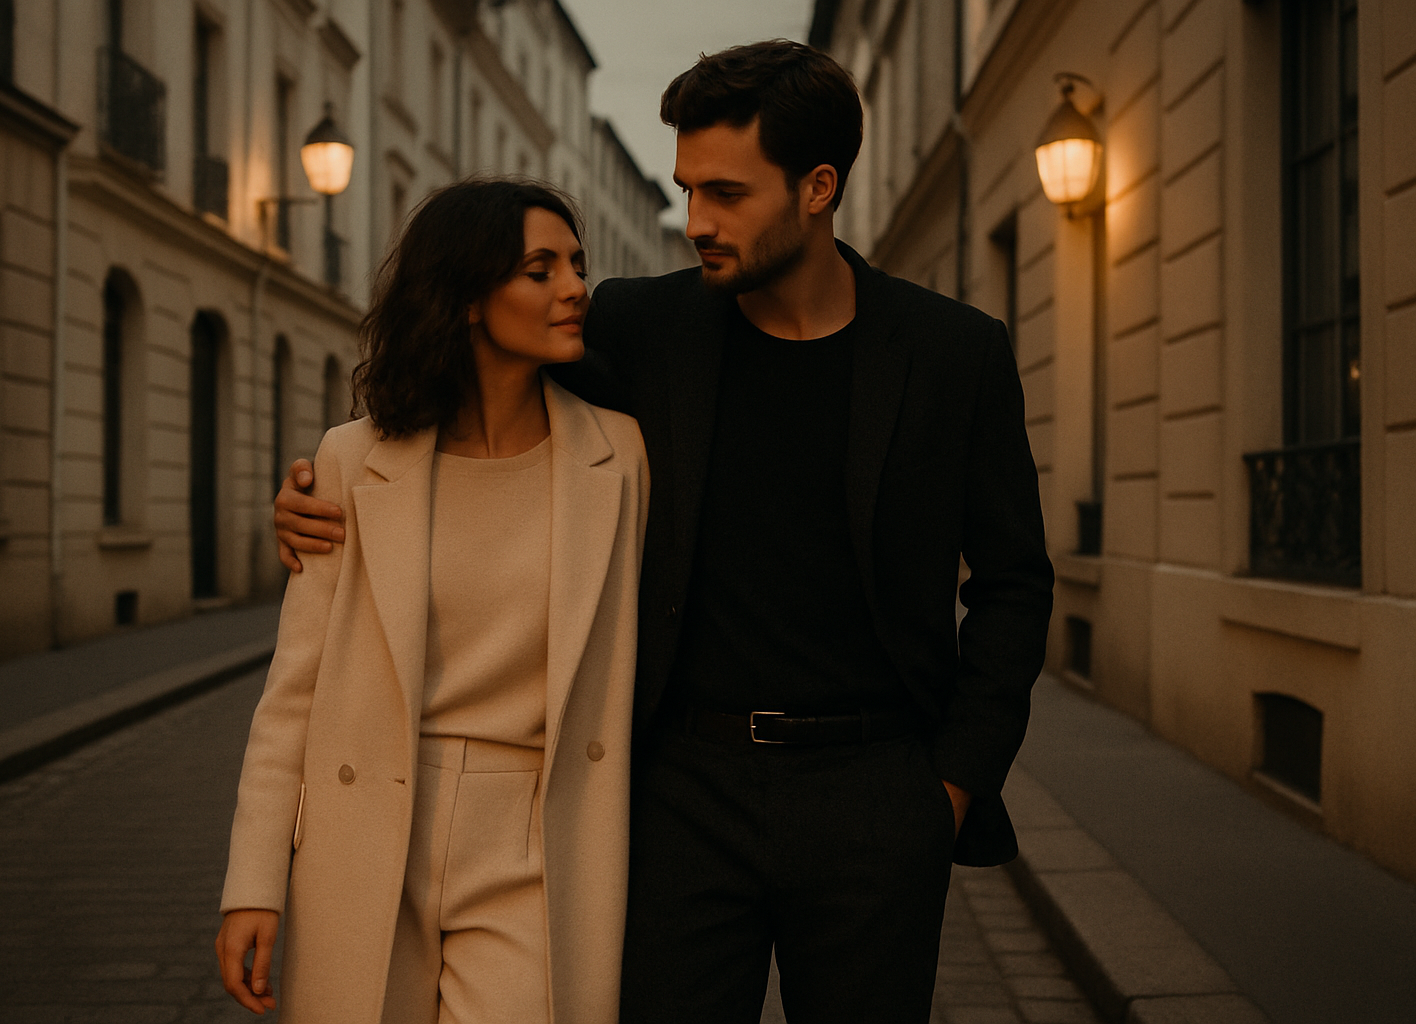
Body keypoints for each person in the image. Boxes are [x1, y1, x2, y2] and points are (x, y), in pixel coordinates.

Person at [274, 41, 1053, 1024]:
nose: (695, 223)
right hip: (680, 791)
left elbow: (1015, 582)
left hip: (873, 788)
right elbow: (469, 409)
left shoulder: (953, 354)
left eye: (725, 194)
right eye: (688, 189)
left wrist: (948, 782)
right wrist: (323, 491)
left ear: (819, 187)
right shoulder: (639, 327)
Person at [216, 178, 649, 1024]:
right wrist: (253, 883)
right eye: (540, 268)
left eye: (576, 265)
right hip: (369, 819)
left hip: (539, 832)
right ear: (465, 299)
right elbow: (293, 692)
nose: (574, 288)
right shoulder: (350, 461)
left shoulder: (620, 457)